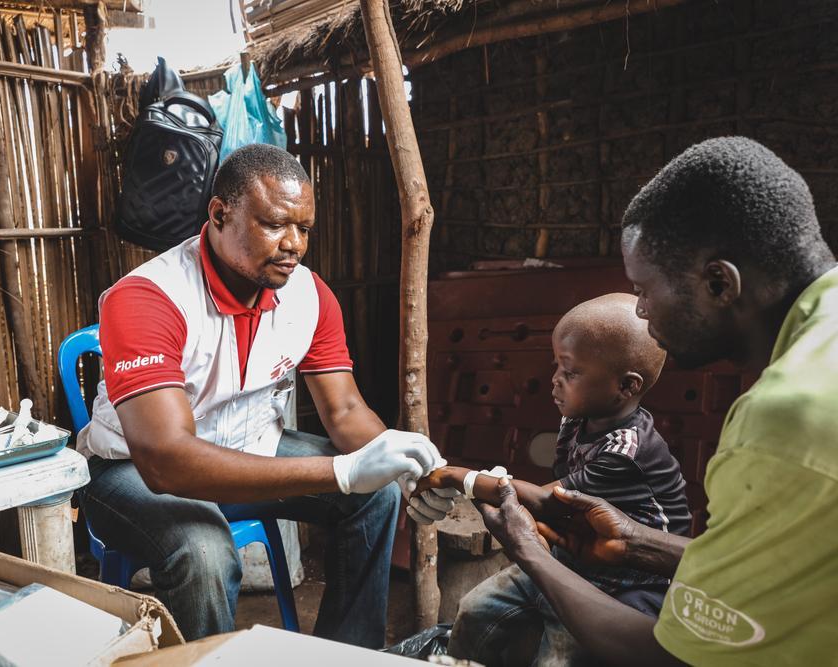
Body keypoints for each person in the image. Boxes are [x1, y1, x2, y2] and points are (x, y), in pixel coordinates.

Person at [76, 143, 457, 647]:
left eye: (304, 229)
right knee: (205, 553)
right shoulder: (149, 298)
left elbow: (343, 410)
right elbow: (165, 460)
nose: (294, 244)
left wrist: (408, 466)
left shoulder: (310, 295)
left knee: (378, 495)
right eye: (275, 224)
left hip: (252, 448)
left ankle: (344, 658)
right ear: (219, 214)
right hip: (131, 472)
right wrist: (343, 471)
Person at [476, 137, 838, 665]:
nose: (641, 311)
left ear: (719, 282)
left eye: (645, 289)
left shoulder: (783, 419)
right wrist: (643, 542)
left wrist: (528, 551)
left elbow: (668, 658)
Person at [415, 293, 690, 666]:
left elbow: (548, 501)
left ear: (626, 387)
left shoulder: (626, 452)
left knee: (558, 658)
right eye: (557, 366)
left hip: (628, 585)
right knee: (474, 610)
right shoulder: (581, 417)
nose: (555, 381)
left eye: (570, 372)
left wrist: (455, 476)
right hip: (572, 556)